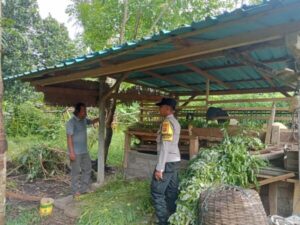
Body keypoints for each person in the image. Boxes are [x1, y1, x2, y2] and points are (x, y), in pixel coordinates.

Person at [151, 97, 181, 225]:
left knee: (157, 191)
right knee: (172, 190)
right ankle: (174, 217)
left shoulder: (167, 123)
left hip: (167, 161)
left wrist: (160, 168)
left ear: (168, 108)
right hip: (175, 160)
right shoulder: (175, 122)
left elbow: (165, 146)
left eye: (161, 107)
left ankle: (163, 222)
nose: (159, 109)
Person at [66, 102, 99, 197]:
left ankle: (84, 189)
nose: (86, 113)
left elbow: (91, 121)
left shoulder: (84, 120)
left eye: (86, 111)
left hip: (84, 151)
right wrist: (71, 153)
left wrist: (100, 117)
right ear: (77, 111)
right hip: (75, 152)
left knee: (88, 169)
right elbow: (69, 138)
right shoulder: (71, 122)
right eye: (84, 111)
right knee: (75, 172)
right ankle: (75, 191)